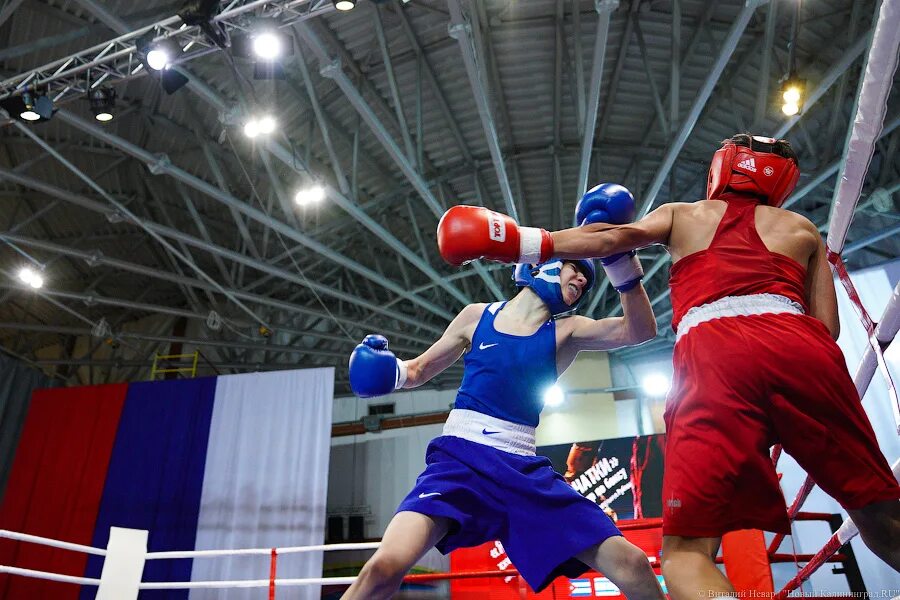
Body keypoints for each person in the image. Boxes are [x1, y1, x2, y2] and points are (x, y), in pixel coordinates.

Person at [436, 134, 900, 598]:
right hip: (803, 350)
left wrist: (517, 241)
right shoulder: (802, 228)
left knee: (686, 555)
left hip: (715, 355)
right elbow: (828, 328)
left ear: (724, 167)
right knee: (879, 514)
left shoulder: (686, 213)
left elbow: (615, 237)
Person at [344, 202, 665, 599]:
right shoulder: (475, 316)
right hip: (459, 462)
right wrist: (387, 370)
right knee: (383, 567)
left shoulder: (568, 330)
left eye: (587, 279)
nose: (581, 281)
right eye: (575, 269)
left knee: (632, 563)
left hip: (523, 469)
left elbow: (639, 330)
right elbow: (416, 372)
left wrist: (622, 267)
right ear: (541, 265)